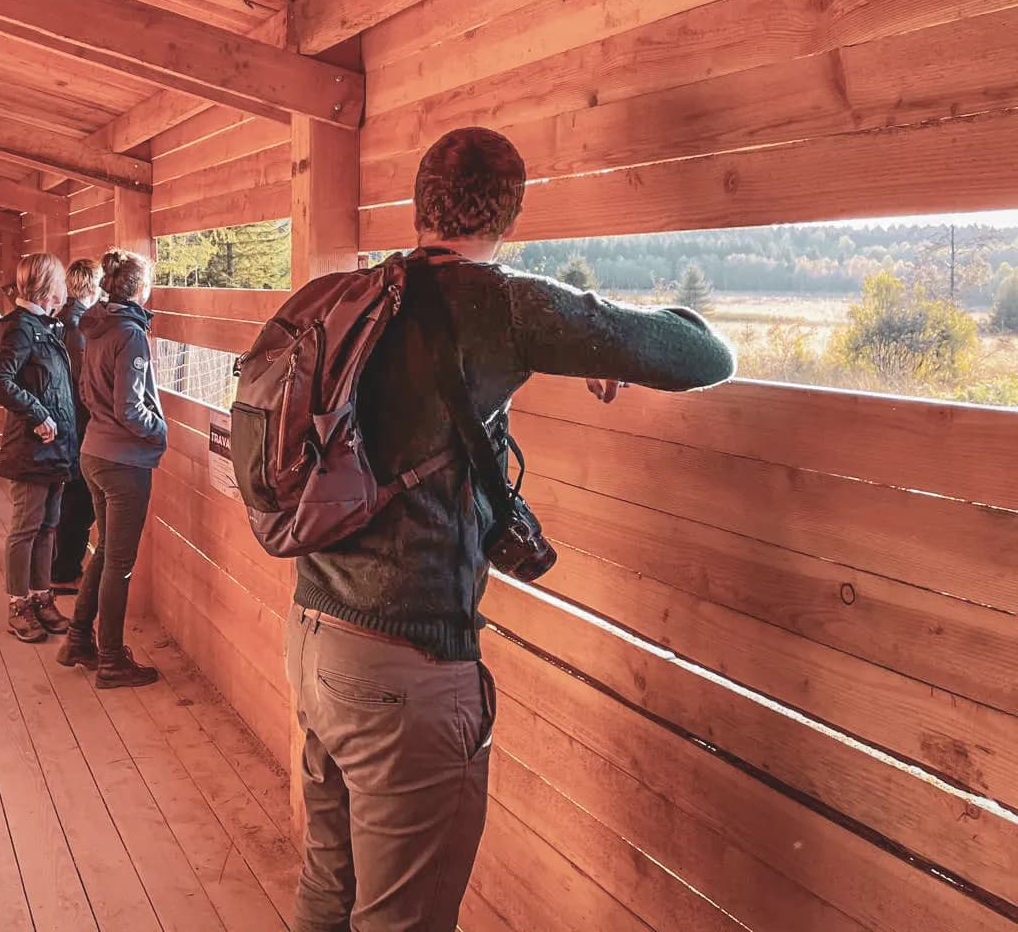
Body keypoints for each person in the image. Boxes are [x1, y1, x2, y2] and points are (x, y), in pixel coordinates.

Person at [285, 127, 737, 932]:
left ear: (419, 204)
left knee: (329, 889)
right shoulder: (505, 304)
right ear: (512, 216)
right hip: (408, 668)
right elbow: (703, 354)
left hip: (315, 631)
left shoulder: (353, 297)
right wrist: (605, 338)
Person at [57, 247, 166, 689]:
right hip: (124, 462)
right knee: (119, 563)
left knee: (103, 553)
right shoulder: (131, 334)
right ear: (141, 289)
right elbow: (129, 407)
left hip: (95, 453)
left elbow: (89, 392)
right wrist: (158, 431)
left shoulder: (96, 326)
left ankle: (78, 639)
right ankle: (111, 659)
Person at [0, 253, 78, 642]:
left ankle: (42, 598)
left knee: (47, 527)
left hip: (55, 450)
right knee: (25, 528)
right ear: (46, 285)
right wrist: (39, 414)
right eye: (60, 281)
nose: (65, 289)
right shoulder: (22, 327)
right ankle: (18, 604)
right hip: (31, 448)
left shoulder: (43, 326)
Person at [51, 257, 103, 593]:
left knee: (69, 498)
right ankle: (65, 570)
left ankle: (60, 565)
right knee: (79, 501)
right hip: (79, 425)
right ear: (92, 286)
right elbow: (82, 381)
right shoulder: (79, 326)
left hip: (65, 422)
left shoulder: (60, 319)